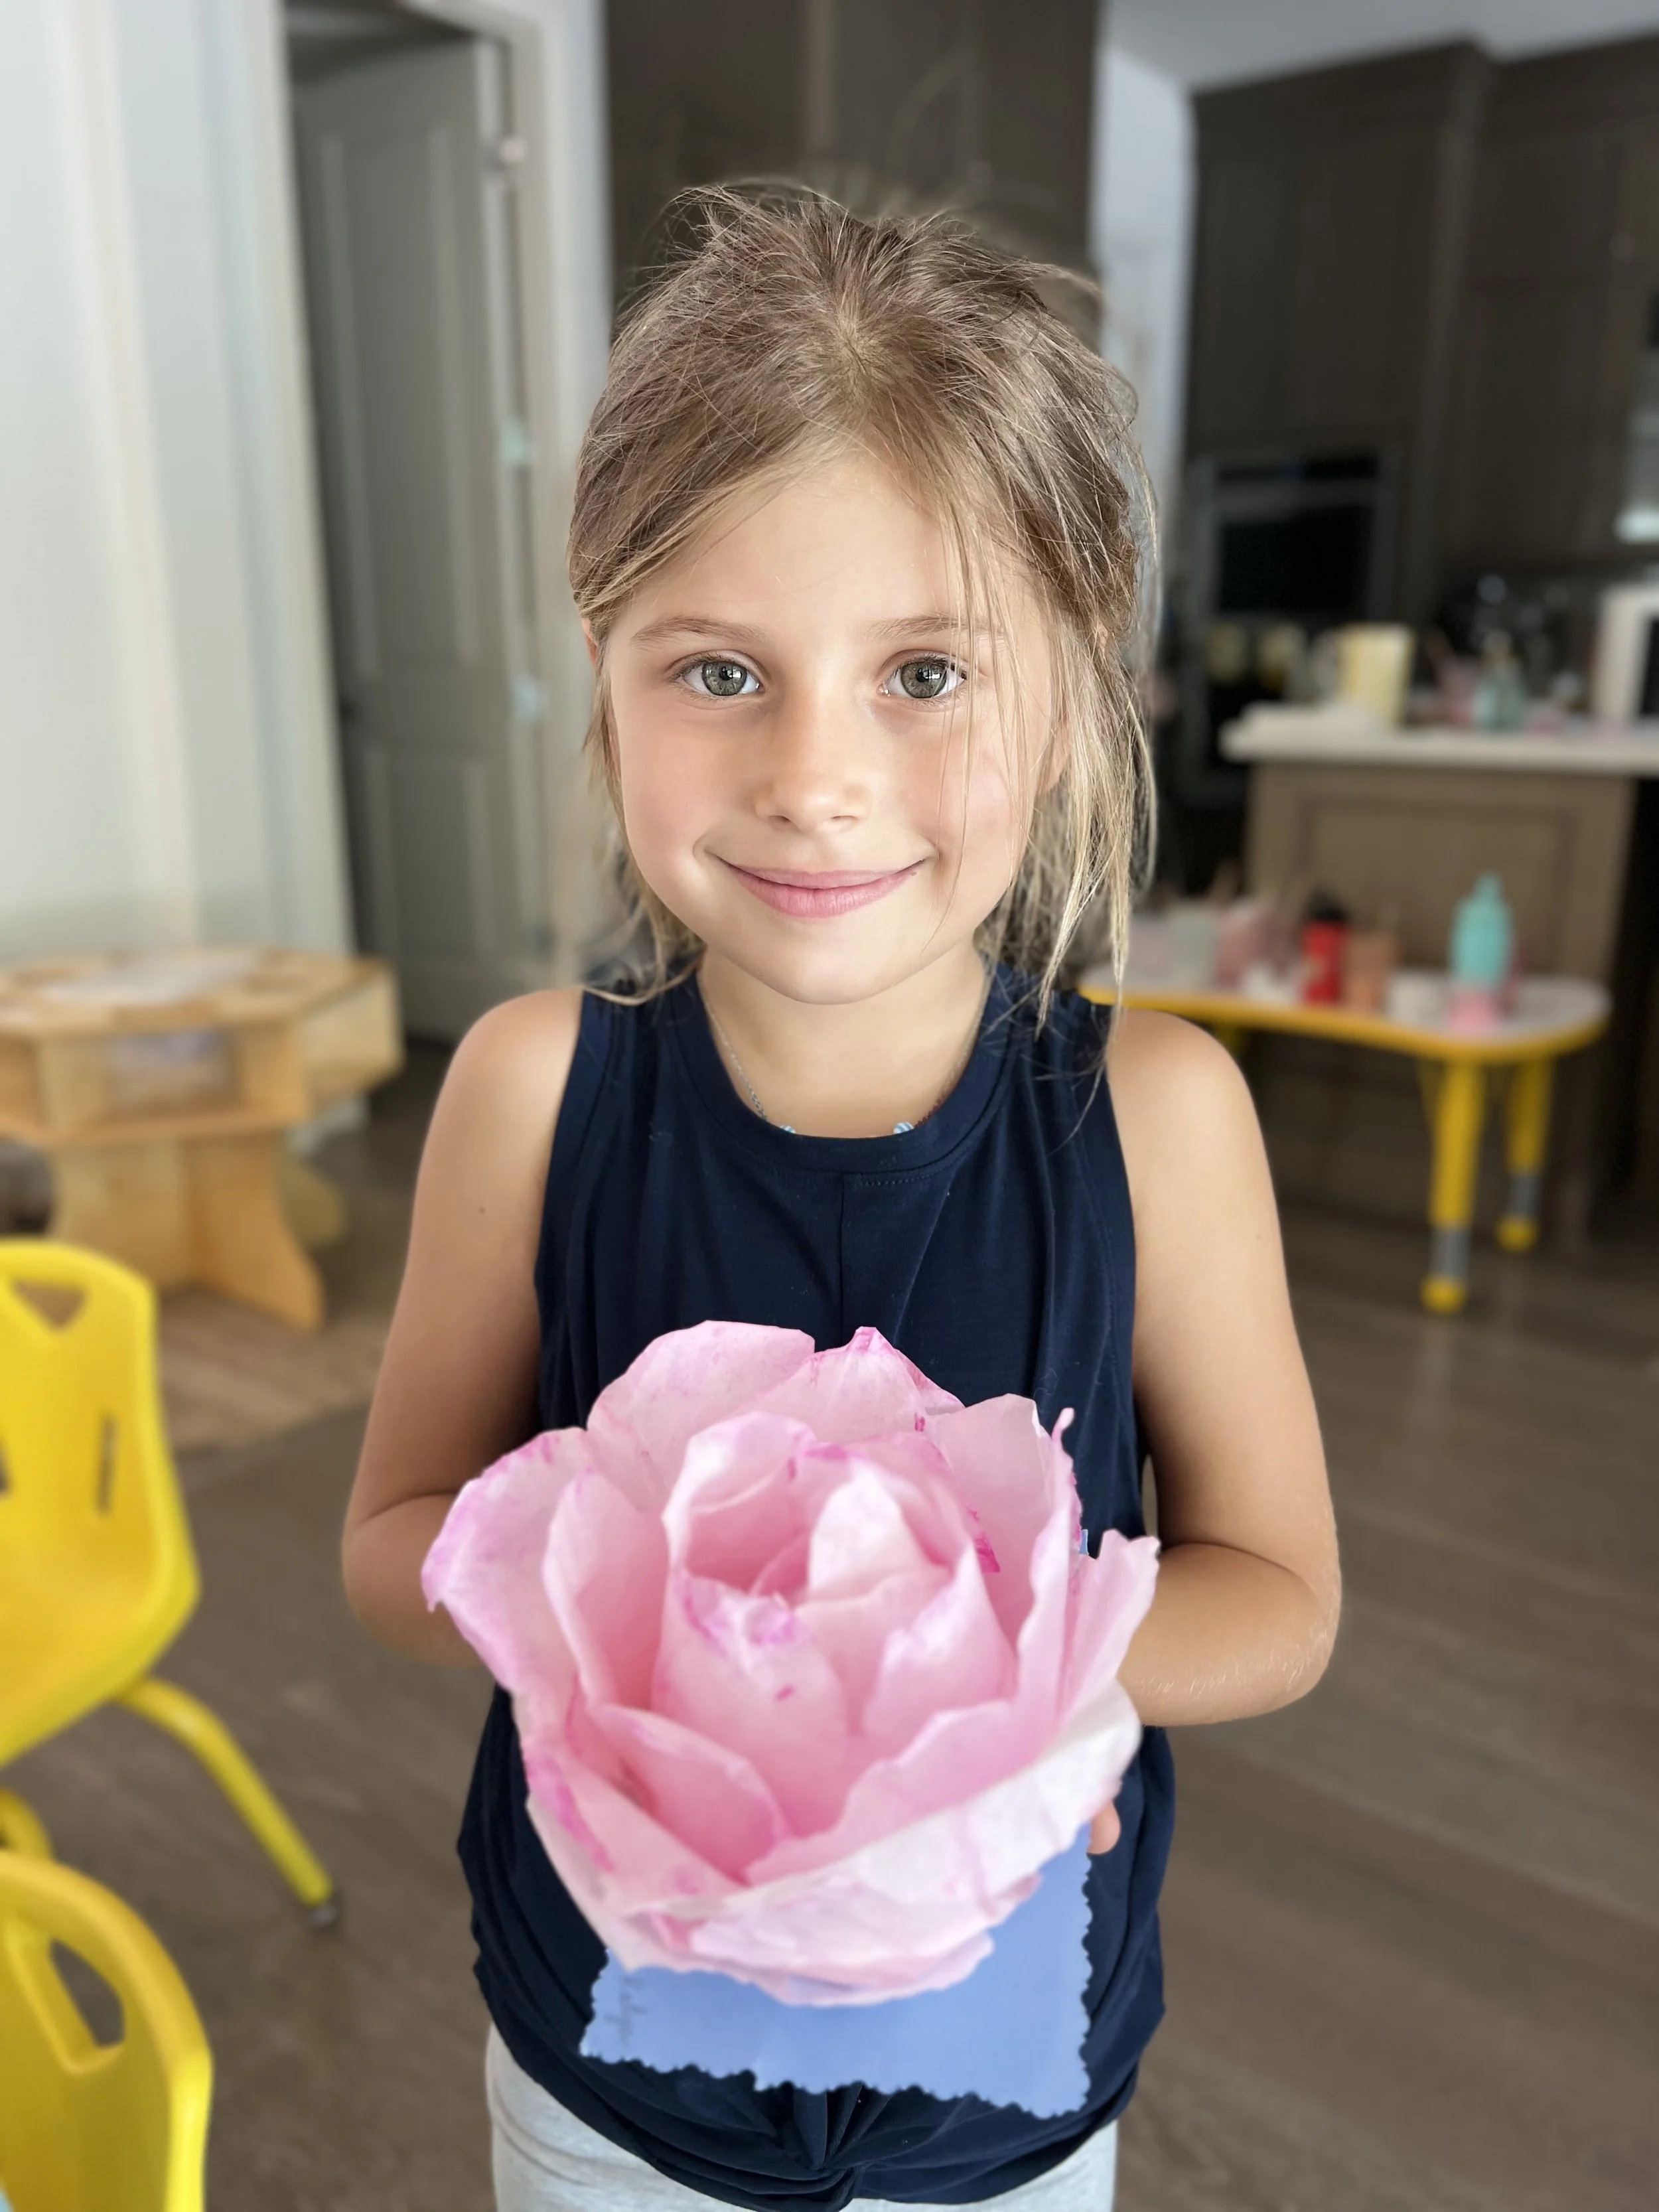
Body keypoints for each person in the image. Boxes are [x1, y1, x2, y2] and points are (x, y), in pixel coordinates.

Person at [341, 188, 1339, 2212]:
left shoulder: (1161, 1113)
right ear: (602, 675)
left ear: (1069, 696)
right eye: (716, 670)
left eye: (923, 672)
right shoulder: (533, 1091)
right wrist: (626, 1631)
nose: (815, 772)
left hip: (1004, 2092)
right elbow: (386, 1540)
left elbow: (1281, 1597)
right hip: (612, 2065)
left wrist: (983, 1703)